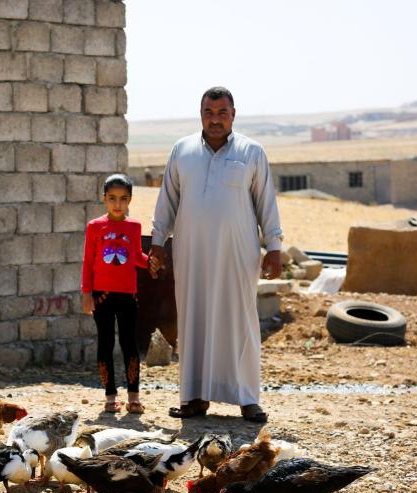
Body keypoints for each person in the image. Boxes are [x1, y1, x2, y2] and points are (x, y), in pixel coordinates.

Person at [149, 86, 283, 423]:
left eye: (222, 113)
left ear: (233, 115)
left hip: (238, 252)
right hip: (191, 251)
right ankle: (194, 398)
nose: (215, 120)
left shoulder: (252, 152)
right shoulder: (182, 150)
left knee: (240, 319)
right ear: (201, 115)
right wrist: (156, 242)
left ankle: (247, 398)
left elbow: (266, 202)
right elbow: (167, 200)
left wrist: (275, 247)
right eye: (209, 113)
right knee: (193, 318)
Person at [81, 174, 153, 414]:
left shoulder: (134, 227)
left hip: (128, 295)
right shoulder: (95, 226)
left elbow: (136, 258)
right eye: (112, 198)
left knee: (129, 343)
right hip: (102, 295)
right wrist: (86, 292)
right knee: (106, 342)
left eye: (123, 198)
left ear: (130, 199)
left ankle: (133, 397)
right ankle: (110, 396)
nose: (117, 204)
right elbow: (88, 261)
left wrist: (152, 261)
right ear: (104, 199)